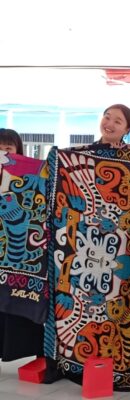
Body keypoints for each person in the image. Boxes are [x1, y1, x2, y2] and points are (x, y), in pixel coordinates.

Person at [0, 128, 44, 362]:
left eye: (8, 148)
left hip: (17, 257)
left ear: (18, 150)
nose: (3, 153)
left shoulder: (29, 176)